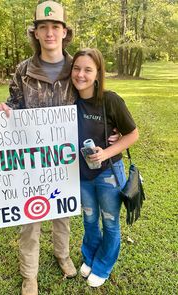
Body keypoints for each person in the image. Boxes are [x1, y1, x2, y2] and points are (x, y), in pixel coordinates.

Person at [0, 2, 119, 294]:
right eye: (43, 27)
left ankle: (62, 255)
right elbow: (14, 103)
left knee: (62, 211)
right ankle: (30, 274)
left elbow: (95, 101)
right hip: (32, 158)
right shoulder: (23, 70)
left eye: (55, 27)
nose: (49, 33)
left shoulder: (75, 68)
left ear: (64, 32)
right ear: (35, 33)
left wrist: (111, 130)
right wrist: (5, 110)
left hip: (65, 158)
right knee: (31, 217)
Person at [71, 48, 139, 287]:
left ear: (98, 73)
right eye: (76, 68)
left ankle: (103, 265)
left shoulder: (110, 100)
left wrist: (106, 153)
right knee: (89, 219)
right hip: (81, 173)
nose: (81, 74)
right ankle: (90, 256)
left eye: (88, 69)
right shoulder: (69, 99)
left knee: (109, 221)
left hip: (109, 172)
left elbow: (132, 134)